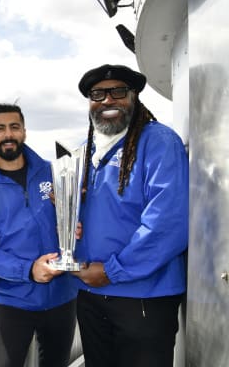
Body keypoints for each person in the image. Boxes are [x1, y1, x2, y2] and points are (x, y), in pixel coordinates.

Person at [73, 64, 189, 367]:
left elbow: (168, 223)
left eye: (118, 92)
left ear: (134, 96)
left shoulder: (159, 142)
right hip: (91, 294)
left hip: (143, 298)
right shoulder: (86, 152)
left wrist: (114, 271)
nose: (108, 100)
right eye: (98, 94)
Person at [0, 103, 77, 367]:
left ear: (24, 132)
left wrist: (76, 226)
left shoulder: (56, 173)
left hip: (62, 297)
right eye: (0, 128)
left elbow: (77, 219)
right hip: (13, 301)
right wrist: (28, 269)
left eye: (14, 127)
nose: (8, 134)